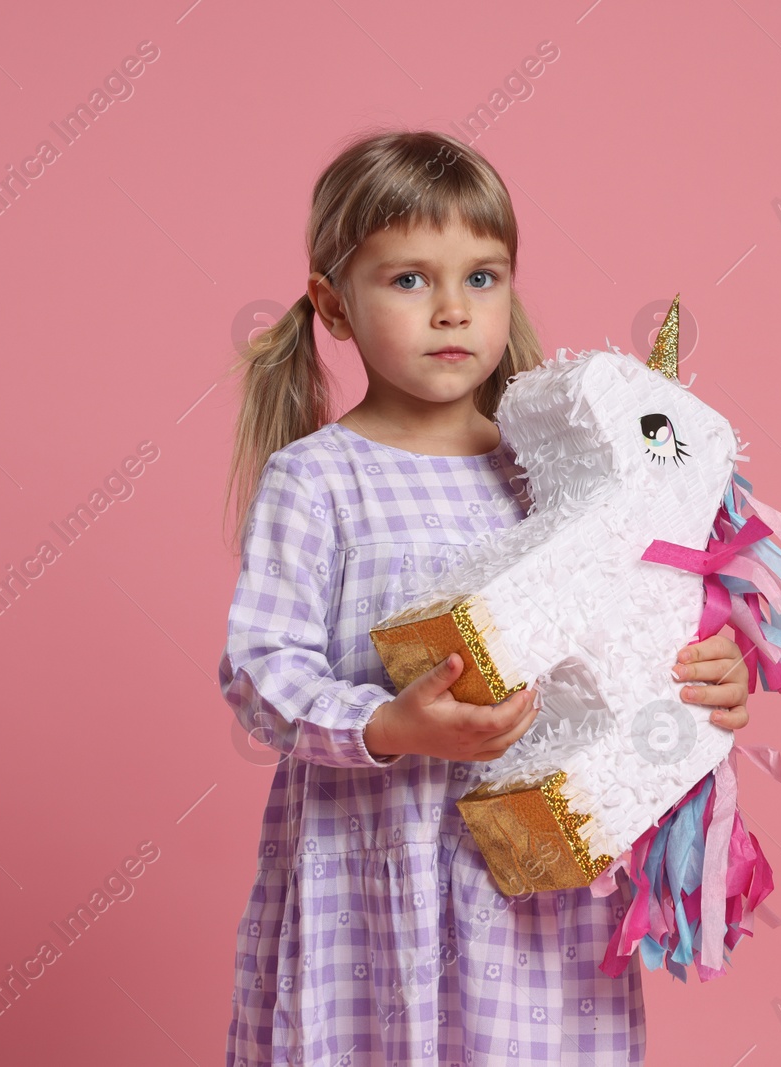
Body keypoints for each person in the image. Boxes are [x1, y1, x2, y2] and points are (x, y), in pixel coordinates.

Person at [217, 128, 752, 1066]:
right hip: (376, 867)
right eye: (410, 280)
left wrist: (708, 672)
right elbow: (261, 673)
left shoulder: (563, 478)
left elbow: (638, 625)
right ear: (332, 304)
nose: (453, 310)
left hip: (533, 885)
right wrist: (391, 724)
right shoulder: (320, 480)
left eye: (483, 276)